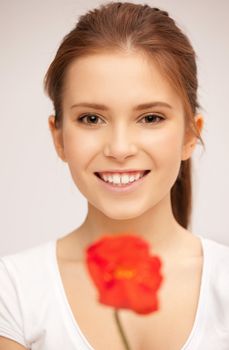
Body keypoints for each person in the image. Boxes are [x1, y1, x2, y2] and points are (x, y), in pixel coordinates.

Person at [0, 2, 229, 350]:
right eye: (91, 119)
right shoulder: (13, 291)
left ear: (189, 135)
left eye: (150, 118)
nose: (119, 149)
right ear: (58, 137)